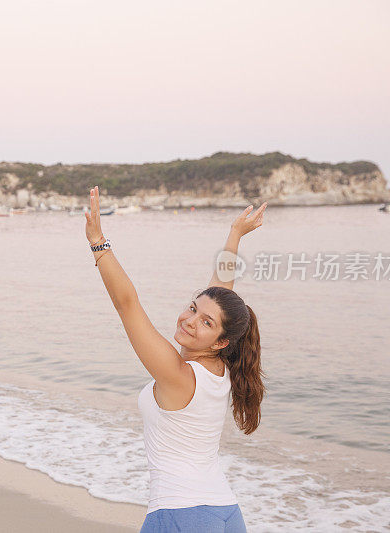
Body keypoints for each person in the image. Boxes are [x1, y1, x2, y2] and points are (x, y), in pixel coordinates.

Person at [84, 186, 267, 533]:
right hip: (226, 513)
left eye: (206, 323)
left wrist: (98, 243)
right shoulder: (222, 369)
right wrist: (234, 235)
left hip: (182, 514)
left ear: (220, 341)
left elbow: (127, 305)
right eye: (193, 308)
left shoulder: (179, 375)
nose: (190, 320)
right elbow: (222, 290)